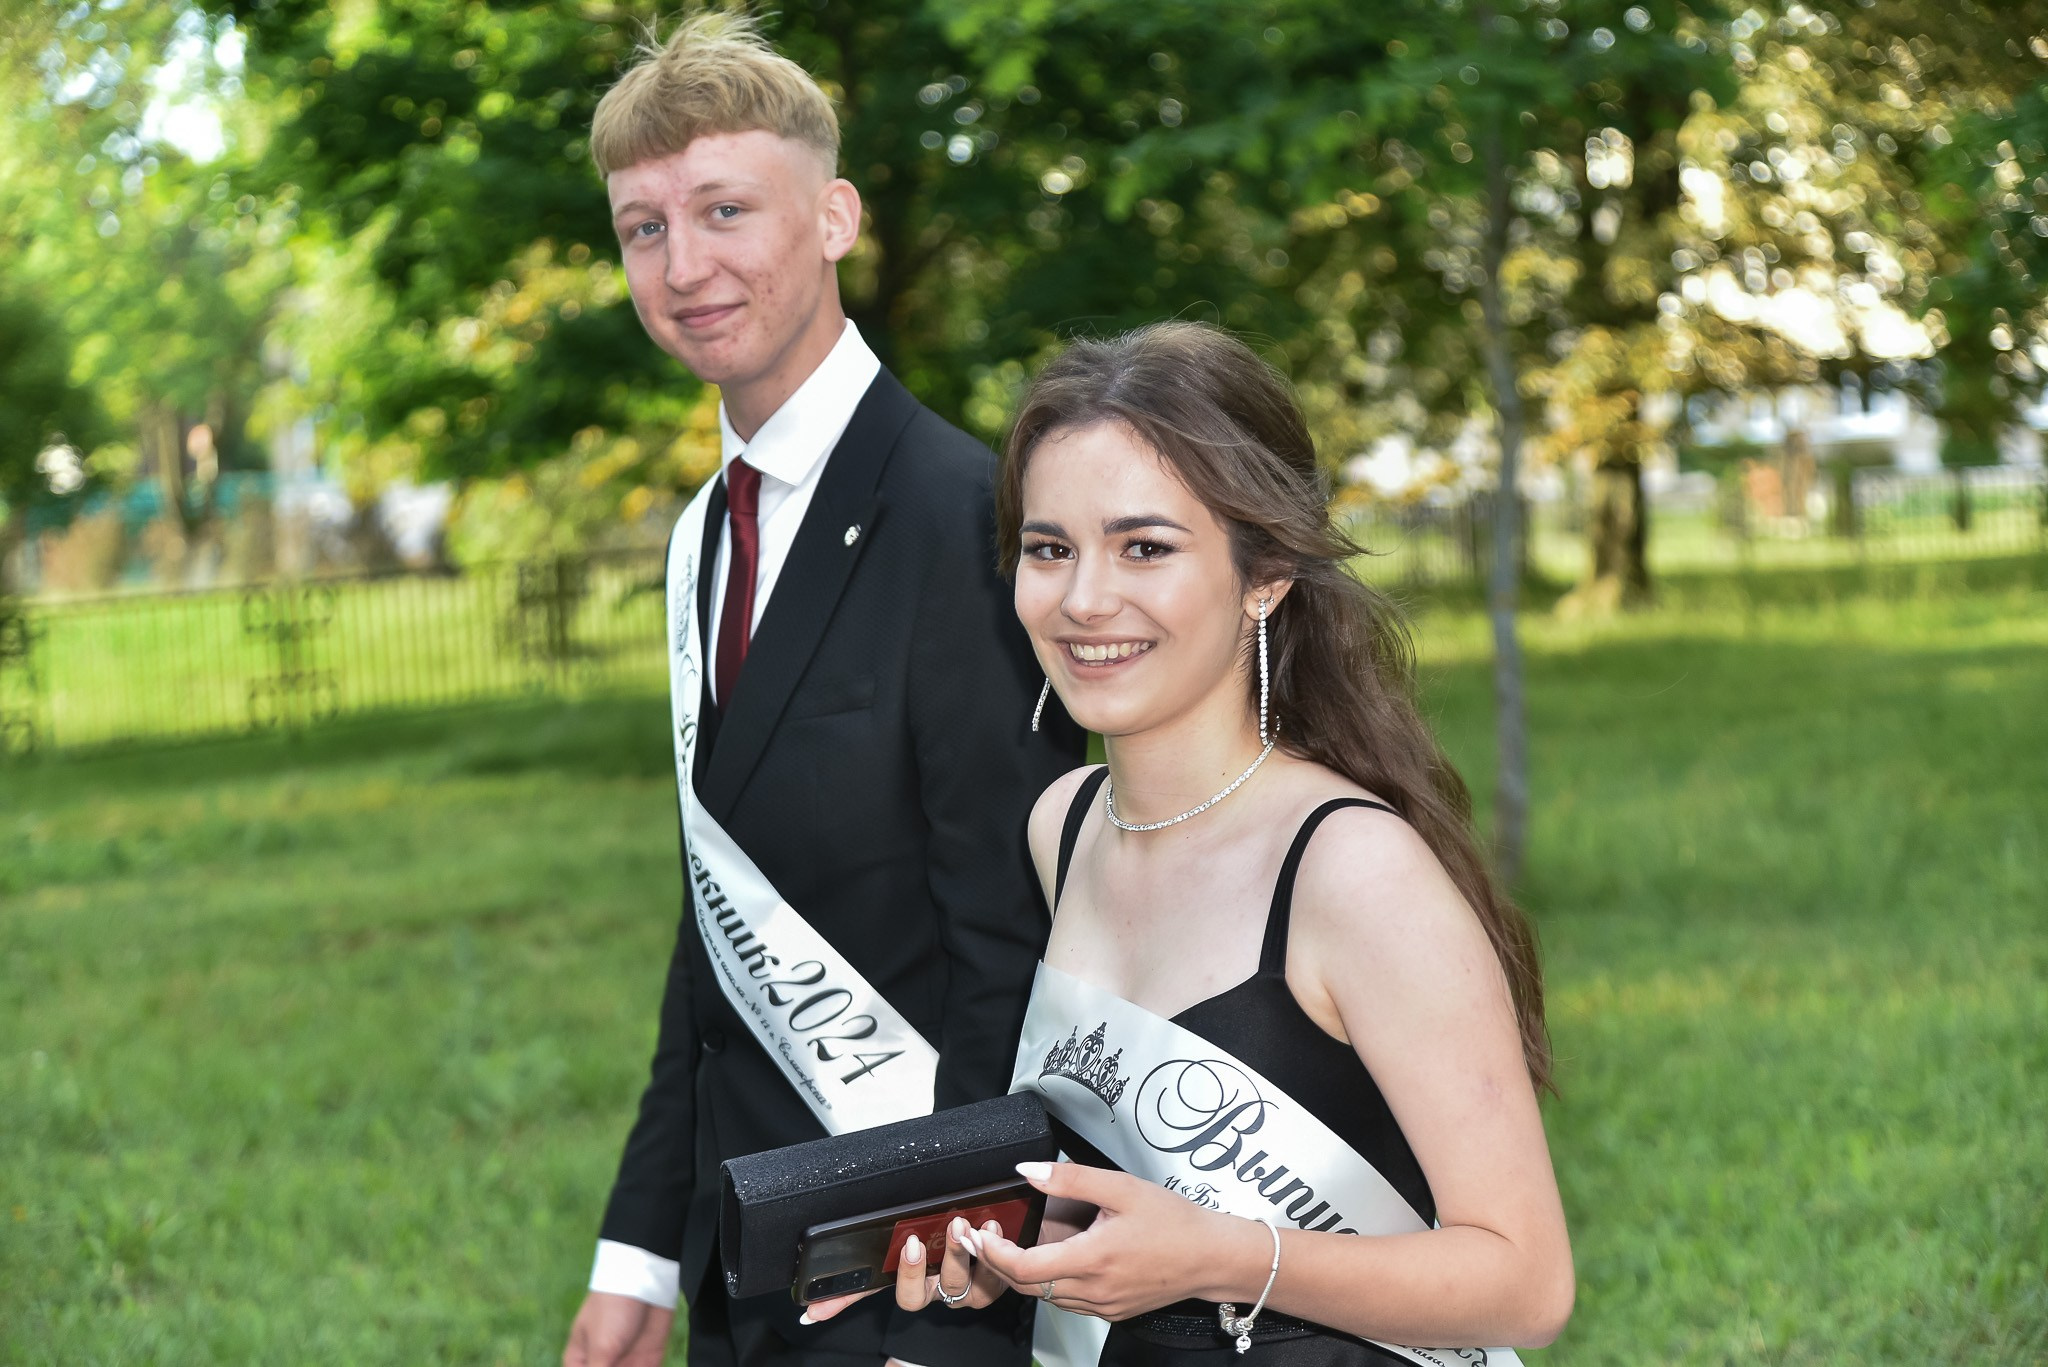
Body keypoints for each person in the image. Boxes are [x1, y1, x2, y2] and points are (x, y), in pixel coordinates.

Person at [825, 321, 1574, 1363]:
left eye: (1144, 546)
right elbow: (1138, 1186)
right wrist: (1014, 1246)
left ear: (1263, 574)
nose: (1083, 598)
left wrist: (1224, 1255)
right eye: (1049, 548)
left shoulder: (1351, 871)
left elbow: (1524, 1283)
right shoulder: (1066, 825)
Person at [562, 15, 1081, 1367]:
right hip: (750, 1256)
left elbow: (1014, 949)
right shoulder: (699, 537)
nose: (686, 266)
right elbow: (717, 924)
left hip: (908, 1283)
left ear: (836, 214)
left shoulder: (968, 519)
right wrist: (639, 1251)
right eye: (644, 228)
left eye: (726, 209)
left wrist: (952, 1305)